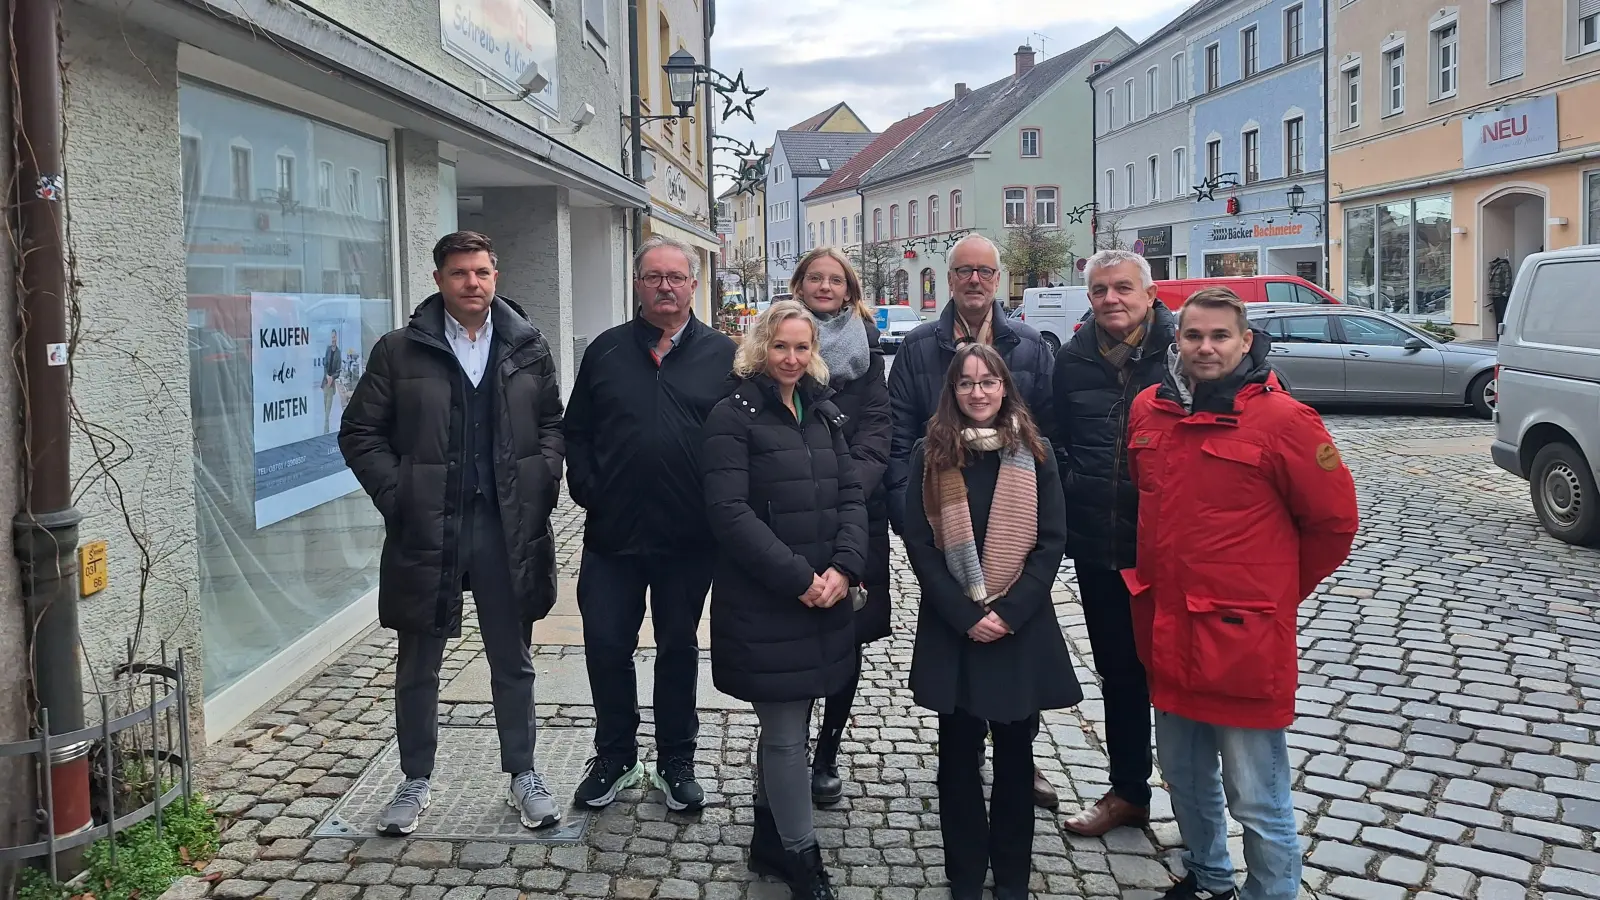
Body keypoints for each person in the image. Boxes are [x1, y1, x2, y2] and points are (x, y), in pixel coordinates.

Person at [1125, 288, 1358, 900]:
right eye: (1193, 335)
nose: (1205, 347)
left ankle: (1270, 893)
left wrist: (1275, 593)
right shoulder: (1150, 410)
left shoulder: (1284, 422)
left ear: (1246, 341)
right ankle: (1207, 877)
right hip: (1169, 632)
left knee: (1256, 794)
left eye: (1220, 336)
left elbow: (1334, 525)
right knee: (1184, 777)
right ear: (1176, 339)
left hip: (1242, 639)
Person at [339, 231, 566, 835]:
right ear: (440, 278)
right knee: (418, 662)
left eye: (483, 272)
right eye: (461, 273)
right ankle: (414, 780)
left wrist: (541, 479)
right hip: (429, 528)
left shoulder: (528, 346)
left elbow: (551, 422)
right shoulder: (401, 350)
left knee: (511, 660)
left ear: (496, 275)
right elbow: (360, 432)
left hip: (503, 527)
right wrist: (400, 493)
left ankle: (523, 773)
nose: (473, 283)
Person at [885, 231, 1059, 810]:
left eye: (985, 270)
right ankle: (959, 759)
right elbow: (896, 435)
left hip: (1013, 521)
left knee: (1013, 654)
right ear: (949, 277)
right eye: (964, 271)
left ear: (999, 277)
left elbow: (1046, 434)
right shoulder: (917, 348)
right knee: (958, 650)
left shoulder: (1031, 346)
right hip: (946, 519)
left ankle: (1021, 759)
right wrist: (907, 508)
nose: (975, 280)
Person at [564, 236, 736, 813]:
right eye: (654, 277)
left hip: (688, 536)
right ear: (637, 285)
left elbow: (741, 440)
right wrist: (589, 488)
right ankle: (614, 754)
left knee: (679, 648)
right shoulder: (607, 351)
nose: (666, 286)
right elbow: (577, 430)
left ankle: (676, 757)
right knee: (606, 645)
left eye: (676, 277)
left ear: (694, 284)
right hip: (613, 535)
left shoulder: (723, 355)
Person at [702, 300, 867, 900]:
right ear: (758, 349)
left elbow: (852, 495)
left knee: (797, 720)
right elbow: (729, 513)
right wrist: (800, 578)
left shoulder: (823, 414)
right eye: (781, 347)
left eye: (802, 347)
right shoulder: (732, 416)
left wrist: (844, 567)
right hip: (768, 599)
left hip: (824, 593)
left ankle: (769, 843)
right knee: (783, 733)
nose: (792, 359)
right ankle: (802, 857)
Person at [903, 344, 1079, 900]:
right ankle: (964, 876)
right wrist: (964, 615)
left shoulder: (1036, 452)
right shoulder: (929, 455)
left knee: (1014, 759)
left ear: (1005, 388)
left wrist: (1007, 612)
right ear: (951, 393)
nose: (977, 392)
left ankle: (1012, 879)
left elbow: (1051, 543)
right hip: (954, 627)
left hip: (1017, 629)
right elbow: (920, 545)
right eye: (965, 383)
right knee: (956, 759)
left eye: (988, 382)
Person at [1049, 248, 1177, 836]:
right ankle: (1128, 791)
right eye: (1100, 290)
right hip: (1101, 546)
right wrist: (1077, 483)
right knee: (1120, 673)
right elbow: (1055, 437)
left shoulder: (1182, 353)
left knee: (1180, 673)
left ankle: (1198, 802)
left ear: (1150, 294)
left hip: (1170, 547)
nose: (1111, 299)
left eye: (1123, 288)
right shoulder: (1072, 359)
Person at [790, 248, 892, 806]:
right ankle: (788, 746)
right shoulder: (776, 343)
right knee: (793, 632)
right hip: (791, 515)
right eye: (815, 278)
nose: (825, 286)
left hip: (856, 515)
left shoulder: (867, 350)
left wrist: (844, 487)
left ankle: (827, 752)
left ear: (849, 290)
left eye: (835, 279)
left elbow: (879, 428)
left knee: (846, 640)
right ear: (800, 285)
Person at [323, 330, 344, 432]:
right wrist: (327, 375)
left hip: (331, 384)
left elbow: (338, 370)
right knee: (325, 407)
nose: (333, 339)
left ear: (336, 338)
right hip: (325, 382)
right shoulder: (327, 350)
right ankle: (326, 427)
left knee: (328, 409)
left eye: (334, 337)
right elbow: (325, 364)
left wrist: (332, 377)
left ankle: (325, 431)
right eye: (332, 337)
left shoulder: (338, 353)